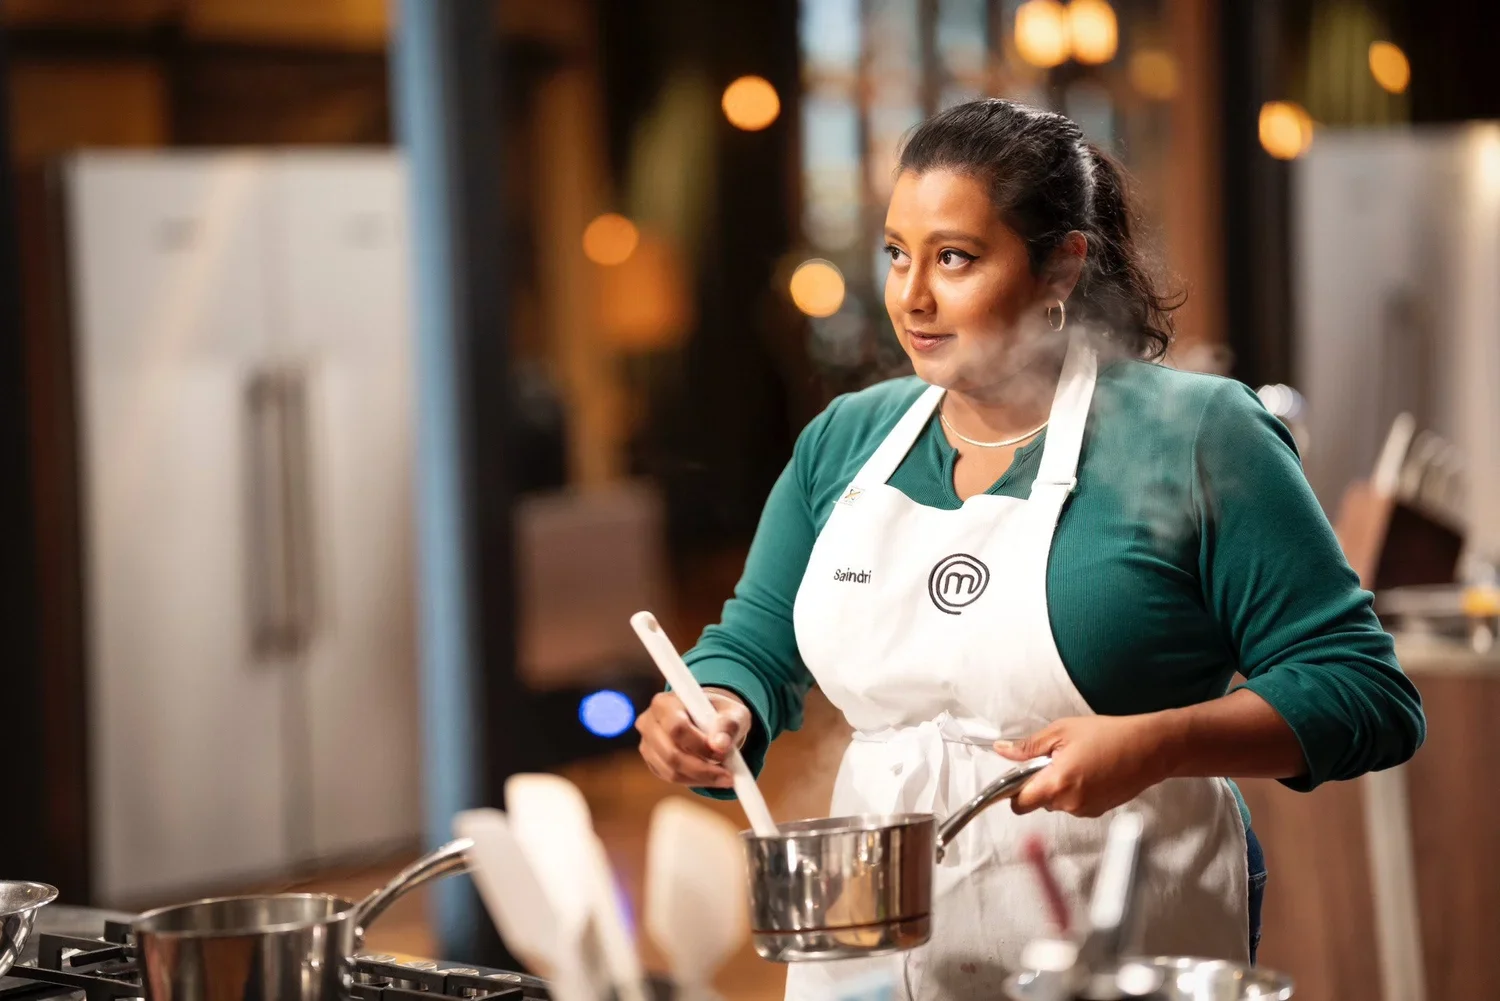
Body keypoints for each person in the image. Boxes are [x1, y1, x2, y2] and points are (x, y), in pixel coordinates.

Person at [635, 99, 1424, 999]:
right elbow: (755, 643)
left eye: (955, 258)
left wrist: (1157, 744)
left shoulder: (1200, 433)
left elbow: (1365, 693)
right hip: (866, 951)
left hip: (1116, 935)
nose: (911, 296)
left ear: (1062, 266)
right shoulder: (846, 439)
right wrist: (716, 706)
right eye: (897, 253)